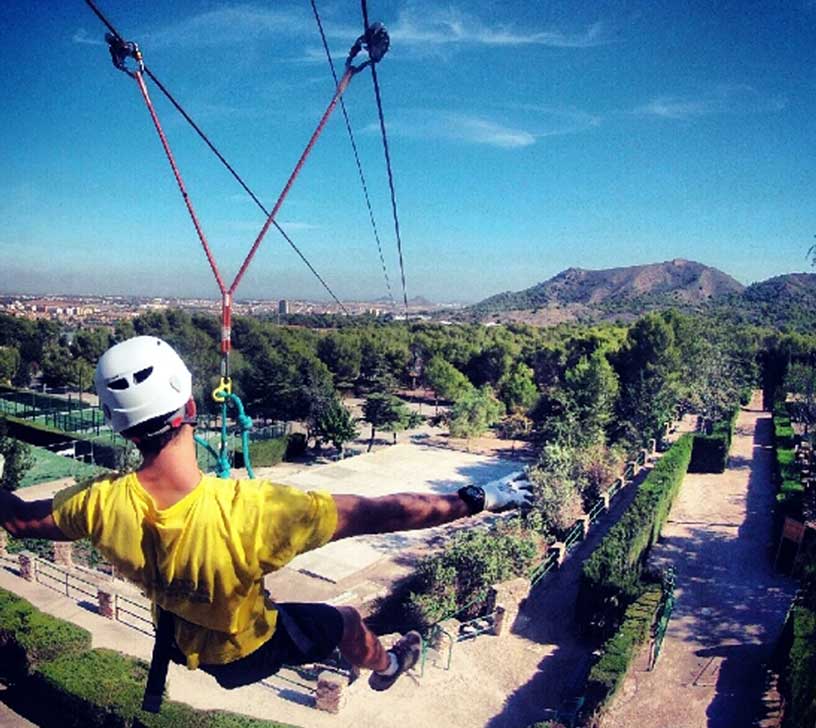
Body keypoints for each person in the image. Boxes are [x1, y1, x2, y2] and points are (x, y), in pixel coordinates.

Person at [0, 336, 533, 703]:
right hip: (247, 652)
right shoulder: (255, 512)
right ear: (189, 407)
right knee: (344, 620)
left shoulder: (98, 503)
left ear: (122, 429)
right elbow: (385, 512)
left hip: (185, 643)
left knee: (322, 622)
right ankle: (388, 668)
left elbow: (20, 522)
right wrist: (475, 500)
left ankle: (364, 659)